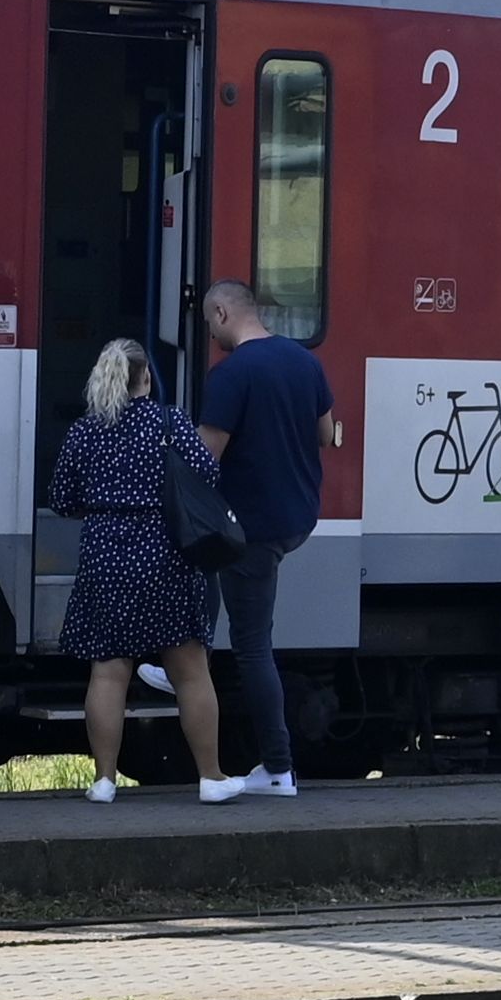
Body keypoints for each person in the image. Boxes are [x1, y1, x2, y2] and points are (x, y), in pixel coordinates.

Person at [51, 337, 243, 805]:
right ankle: (211, 778)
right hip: (164, 553)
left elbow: (61, 498)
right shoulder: (167, 421)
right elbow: (206, 473)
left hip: (103, 554)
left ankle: (104, 781)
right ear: (146, 378)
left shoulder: (85, 430)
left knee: (108, 674)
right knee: (192, 673)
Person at [194, 280, 332, 795]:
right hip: (296, 518)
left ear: (224, 312)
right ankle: (191, 657)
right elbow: (324, 433)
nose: (211, 333)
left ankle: (277, 768)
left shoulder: (231, 375)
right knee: (199, 559)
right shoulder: (304, 362)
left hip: (252, 529)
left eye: (211, 323)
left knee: (253, 648)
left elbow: (206, 456)